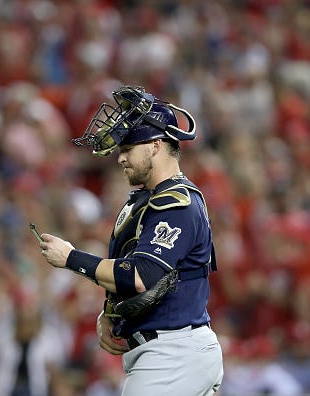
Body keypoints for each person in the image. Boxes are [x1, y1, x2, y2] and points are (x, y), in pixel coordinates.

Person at [38, 85, 224, 394]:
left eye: (127, 148)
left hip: (173, 354)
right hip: (169, 352)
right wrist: (111, 311)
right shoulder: (148, 200)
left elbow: (141, 276)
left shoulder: (175, 205)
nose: (121, 158)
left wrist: (71, 258)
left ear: (155, 145)